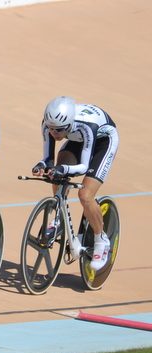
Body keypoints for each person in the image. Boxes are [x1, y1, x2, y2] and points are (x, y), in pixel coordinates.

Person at [31, 96, 118, 271]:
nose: (55, 134)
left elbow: (83, 167)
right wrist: (42, 166)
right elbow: (48, 159)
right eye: (51, 129)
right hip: (78, 139)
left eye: (59, 130)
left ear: (69, 124)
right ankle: (58, 219)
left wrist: (62, 169)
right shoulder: (48, 124)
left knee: (85, 195)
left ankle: (101, 240)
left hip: (103, 141)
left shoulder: (86, 125)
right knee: (56, 172)